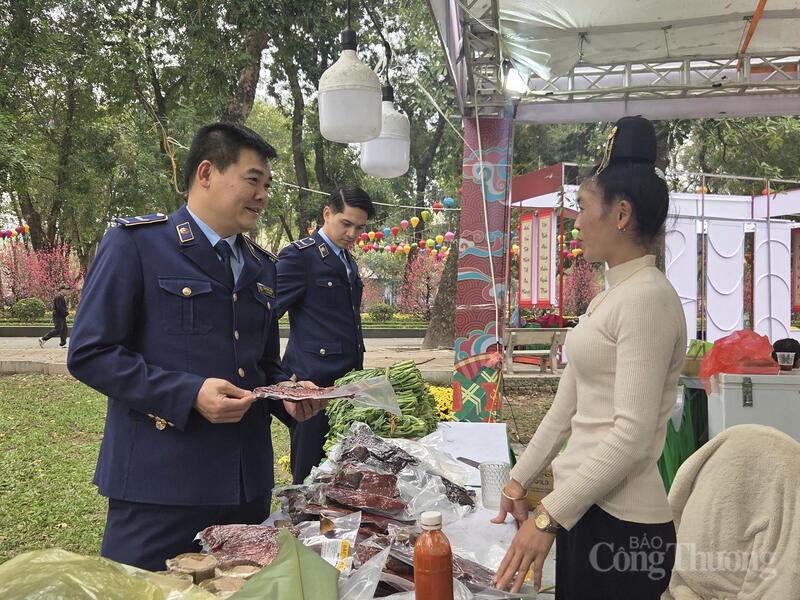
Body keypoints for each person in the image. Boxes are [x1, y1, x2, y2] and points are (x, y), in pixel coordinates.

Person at [67, 122, 321, 571]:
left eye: (267, 185)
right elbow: (90, 352)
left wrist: (287, 397)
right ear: (206, 173)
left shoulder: (262, 266)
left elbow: (262, 365)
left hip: (244, 486)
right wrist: (189, 394)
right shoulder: (137, 245)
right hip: (161, 487)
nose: (262, 195)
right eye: (253, 180)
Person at [492, 116, 687, 598]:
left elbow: (631, 436)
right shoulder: (610, 297)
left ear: (621, 215)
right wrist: (518, 481)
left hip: (622, 530)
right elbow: (566, 409)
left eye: (582, 207)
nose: (576, 221)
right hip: (585, 510)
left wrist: (548, 515)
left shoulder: (647, 298)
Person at [275, 187, 374, 483]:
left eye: (360, 227)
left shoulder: (347, 260)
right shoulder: (300, 257)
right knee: (308, 475)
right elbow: (263, 316)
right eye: (346, 223)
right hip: (312, 387)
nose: (352, 233)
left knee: (341, 475)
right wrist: (285, 379)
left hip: (345, 386)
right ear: (327, 213)